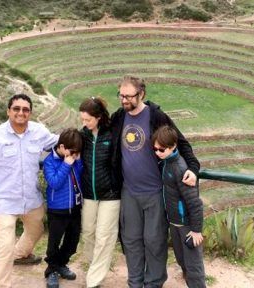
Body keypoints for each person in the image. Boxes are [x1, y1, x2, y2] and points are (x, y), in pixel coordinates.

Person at [110, 75, 200, 288]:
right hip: (129, 191)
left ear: (141, 94)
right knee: (131, 240)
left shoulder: (156, 116)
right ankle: (135, 282)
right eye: (121, 95)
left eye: (128, 96)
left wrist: (194, 169)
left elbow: (182, 143)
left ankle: (154, 282)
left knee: (155, 240)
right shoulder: (118, 117)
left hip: (155, 191)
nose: (124, 100)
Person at [0, 94, 58, 288]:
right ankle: (2, 284)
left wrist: (85, 133)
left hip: (31, 200)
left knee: (36, 230)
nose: (21, 113)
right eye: (16, 108)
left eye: (25, 109)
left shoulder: (39, 132)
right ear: (8, 111)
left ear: (30, 113)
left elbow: (59, 142)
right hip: (4, 202)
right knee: (5, 246)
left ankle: (20, 255)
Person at [153, 126, 206, 288]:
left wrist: (196, 230)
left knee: (193, 264)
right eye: (154, 149)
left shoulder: (179, 168)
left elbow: (195, 203)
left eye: (161, 149)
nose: (157, 153)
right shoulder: (166, 162)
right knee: (182, 259)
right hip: (175, 222)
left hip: (186, 225)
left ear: (173, 147)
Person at [78, 97, 120, 288]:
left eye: (88, 120)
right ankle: (93, 266)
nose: (84, 124)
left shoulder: (112, 134)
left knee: (104, 237)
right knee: (87, 233)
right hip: (88, 193)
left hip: (110, 195)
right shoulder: (83, 135)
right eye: (82, 120)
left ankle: (94, 280)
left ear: (99, 117)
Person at [43, 128, 85, 288]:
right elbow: (54, 182)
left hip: (75, 208)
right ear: (61, 146)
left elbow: (80, 176)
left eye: (76, 152)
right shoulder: (49, 161)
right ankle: (52, 270)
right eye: (71, 151)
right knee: (54, 242)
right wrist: (67, 165)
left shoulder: (74, 157)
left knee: (73, 241)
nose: (73, 154)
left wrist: (78, 162)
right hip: (57, 210)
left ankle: (61, 264)